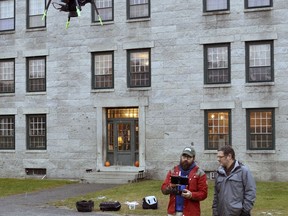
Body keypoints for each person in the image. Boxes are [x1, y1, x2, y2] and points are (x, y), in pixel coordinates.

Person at [161, 146, 208, 216]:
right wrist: (170, 186)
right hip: (173, 212)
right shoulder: (173, 171)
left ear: (193, 158)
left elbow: (203, 194)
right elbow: (163, 189)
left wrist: (191, 195)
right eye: (184, 157)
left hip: (191, 212)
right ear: (181, 157)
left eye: (189, 157)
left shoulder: (199, 173)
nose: (186, 159)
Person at [212, 145, 256, 216]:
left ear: (229, 156)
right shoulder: (219, 173)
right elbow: (216, 195)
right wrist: (215, 211)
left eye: (220, 157)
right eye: (217, 157)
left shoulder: (243, 171)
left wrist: (245, 211)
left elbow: (250, 192)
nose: (218, 159)